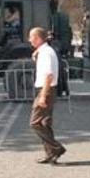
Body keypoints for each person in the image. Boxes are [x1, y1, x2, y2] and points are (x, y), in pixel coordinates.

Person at [28, 27, 66, 165]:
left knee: (35, 123)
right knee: (45, 123)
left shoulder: (46, 53)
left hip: (46, 90)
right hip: (47, 89)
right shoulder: (44, 51)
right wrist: (36, 52)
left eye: (31, 37)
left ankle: (56, 148)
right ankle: (50, 154)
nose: (29, 40)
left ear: (38, 38)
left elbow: (49, 75)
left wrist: (43, 96)